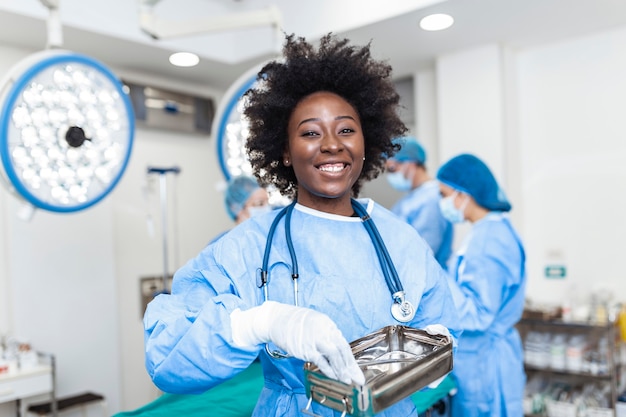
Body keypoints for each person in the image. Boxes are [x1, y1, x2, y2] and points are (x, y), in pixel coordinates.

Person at [143, 33, 461, 417]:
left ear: (367, 142)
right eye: (310, 132)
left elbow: (442, 321)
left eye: (346, 130)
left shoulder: (399, 239)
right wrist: (261, 323)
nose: (331, 145)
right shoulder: (251, 246)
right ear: (285, 152)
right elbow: (165, 355)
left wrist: (436, 343)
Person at [436, 153, 526, 417]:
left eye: (445, 195)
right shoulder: (489, 232)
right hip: (482, 358)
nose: (442, 203)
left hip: (485, 364)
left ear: (463, 195)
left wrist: (438, 279)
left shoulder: (489, 241)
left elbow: (478, 314)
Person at [385, 136, 453, 269]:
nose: (390, 175)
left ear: (411, 164)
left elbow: (425, 251)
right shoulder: (411, 199)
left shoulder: (432, 199)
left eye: (392, 168)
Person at [209, 175, 272, 244]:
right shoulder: (222, 244)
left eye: (267, 203)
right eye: (260, 204)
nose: (267, 209)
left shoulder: (269, 238)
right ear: (236, 208)